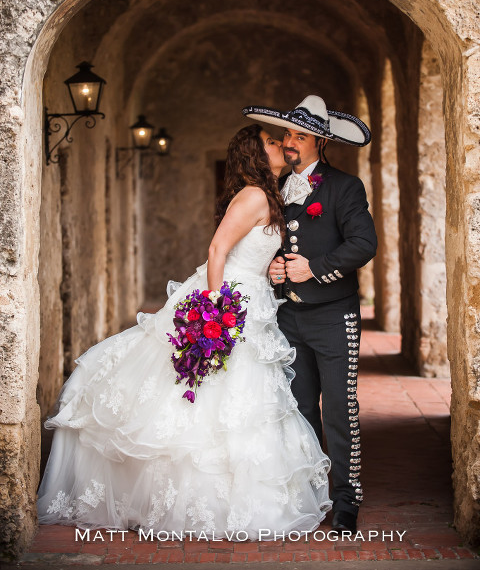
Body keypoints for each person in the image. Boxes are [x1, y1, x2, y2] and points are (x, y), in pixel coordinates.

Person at [37, 124, 332, 537]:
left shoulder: (269, 196)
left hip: (255, 302)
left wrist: (274, 269)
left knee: (242, 400)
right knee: (210, 394)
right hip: (229, 302)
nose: (281, 145)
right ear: (255, 154)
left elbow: (255, 252)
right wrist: (214, 310)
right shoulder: (253, 195)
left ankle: (237, 500)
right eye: (270, 142)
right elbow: (217, 250)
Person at [243, 96, 377, 533]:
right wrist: (276, 266)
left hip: (334, 316)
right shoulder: (277, 188)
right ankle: (310, 491)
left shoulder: (345, 186)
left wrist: (313, 269)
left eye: (299, 136)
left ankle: (346, 500)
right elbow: (271, 243)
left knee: (340, 409)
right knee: (298, 408)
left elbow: (363, 244)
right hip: (288, 317)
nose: (290, 142)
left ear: (319, 141)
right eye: (287, 135)